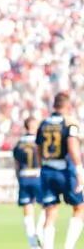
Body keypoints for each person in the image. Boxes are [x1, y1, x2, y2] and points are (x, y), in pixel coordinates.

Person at [36, 92, 84, 249]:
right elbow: (72, 144)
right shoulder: (69, 122)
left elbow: (37, 148)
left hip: (47, 169)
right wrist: (79, 169)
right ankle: (68, 247)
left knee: (50, 211)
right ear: (67, 106)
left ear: (54, 105)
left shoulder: (43, 123)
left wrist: (40, 166)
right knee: (80, 207)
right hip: (65, 171)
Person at [13, 116, 45, 249]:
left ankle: (33, 244)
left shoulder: (19, 143)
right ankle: (40, 229)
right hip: (38, 175)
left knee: (28, 208)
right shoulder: (40, 141)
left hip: (24, 176)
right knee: (48, 206)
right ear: (32, 126)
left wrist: (19, 179)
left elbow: (16, 164)